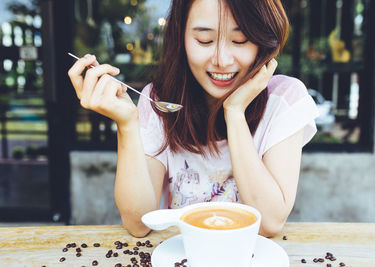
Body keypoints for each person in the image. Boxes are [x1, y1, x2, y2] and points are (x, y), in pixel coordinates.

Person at [68, 0, 319, 238]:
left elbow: (269, 223)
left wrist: (234, 112)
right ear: (182, 37)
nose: (222, 60)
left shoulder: (284, 100)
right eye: (204, 40)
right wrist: (127, 124)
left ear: (263, 42)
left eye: (240, 40)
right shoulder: (158, 101)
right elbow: (138, 223)